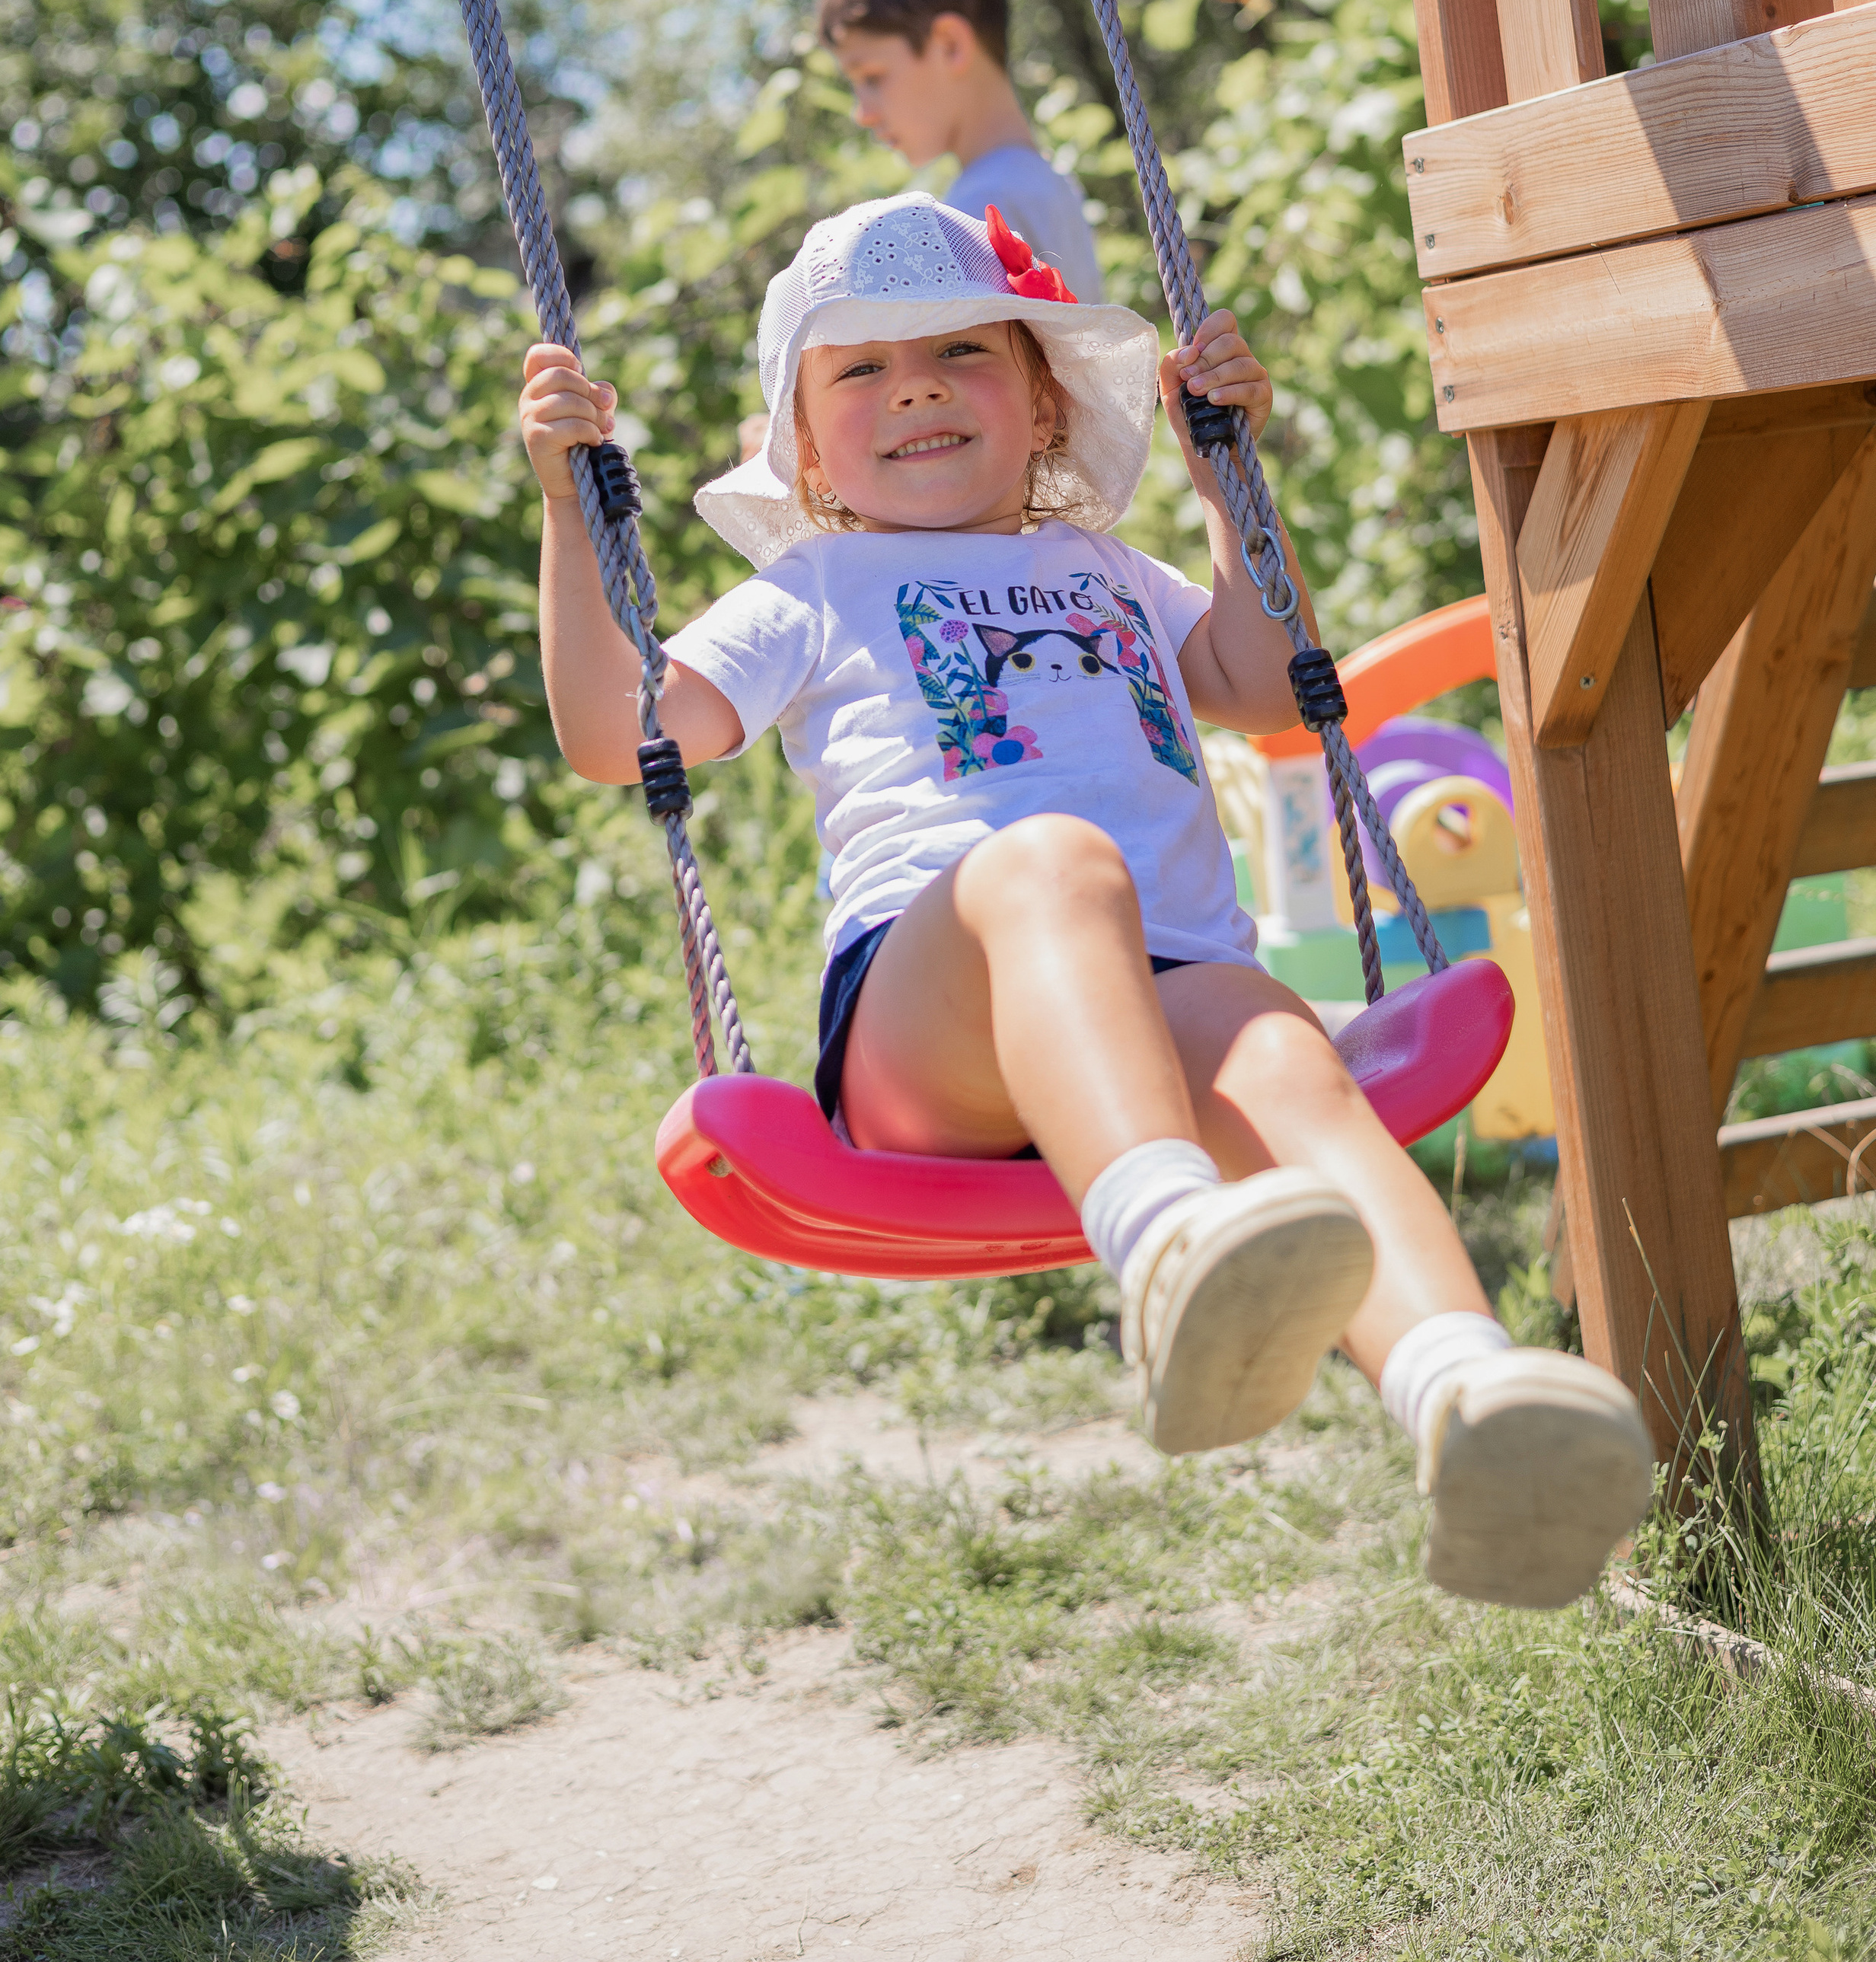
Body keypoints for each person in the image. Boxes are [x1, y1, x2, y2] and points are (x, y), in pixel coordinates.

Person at [519, 193, 1652, 1609]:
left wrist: (1228, 482)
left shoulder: (1111, 571)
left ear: (1046, 404)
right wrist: (573, 510)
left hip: (1161, 1017)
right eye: (859, 368)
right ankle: (1171, 1245)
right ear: (804, 448)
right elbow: (609, 731)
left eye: (961, 353)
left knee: (1282, 1043)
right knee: (1054, 864)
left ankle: (1470, 1403)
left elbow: (1264, 685)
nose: (916, 385)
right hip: (932, 1034)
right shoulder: (814, 587)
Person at [816, 0, 1105, 302]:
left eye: (872, 77)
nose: (862, 112)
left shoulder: (973, 217)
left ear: (951, 46)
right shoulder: (1049, 182)